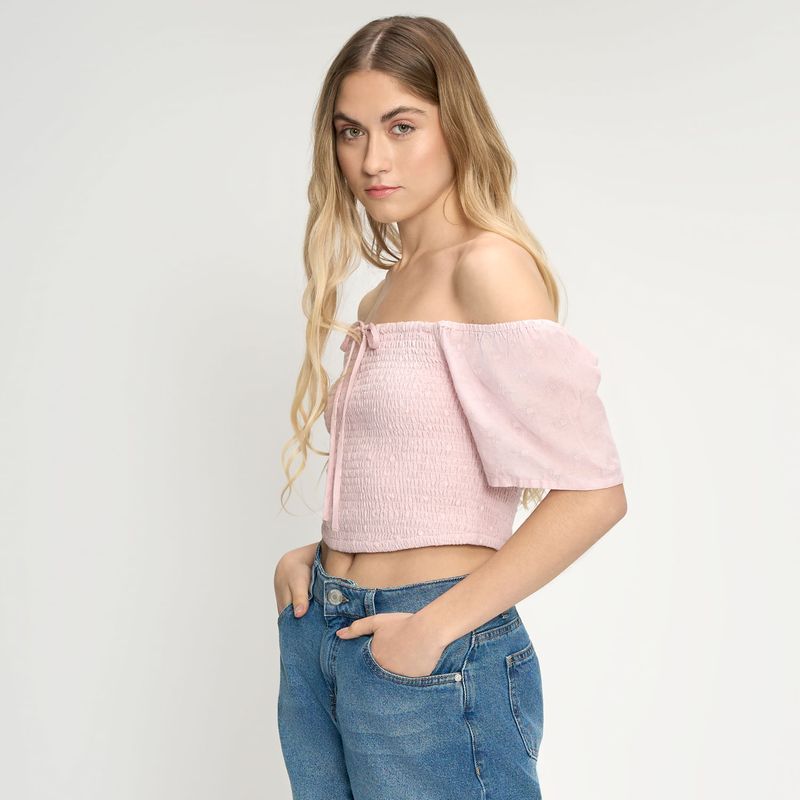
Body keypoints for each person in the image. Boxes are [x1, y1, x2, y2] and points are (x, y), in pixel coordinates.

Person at [274, 15, 627, 800]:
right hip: (326, 631)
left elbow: (595, 495)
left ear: (454, 124)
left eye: (401, 126)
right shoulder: (384, 292)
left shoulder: (488, 267)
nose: (373, 159)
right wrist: (320, 557)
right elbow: (414, 480)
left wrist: (432, 628)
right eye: (351, 131)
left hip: (428, 648)